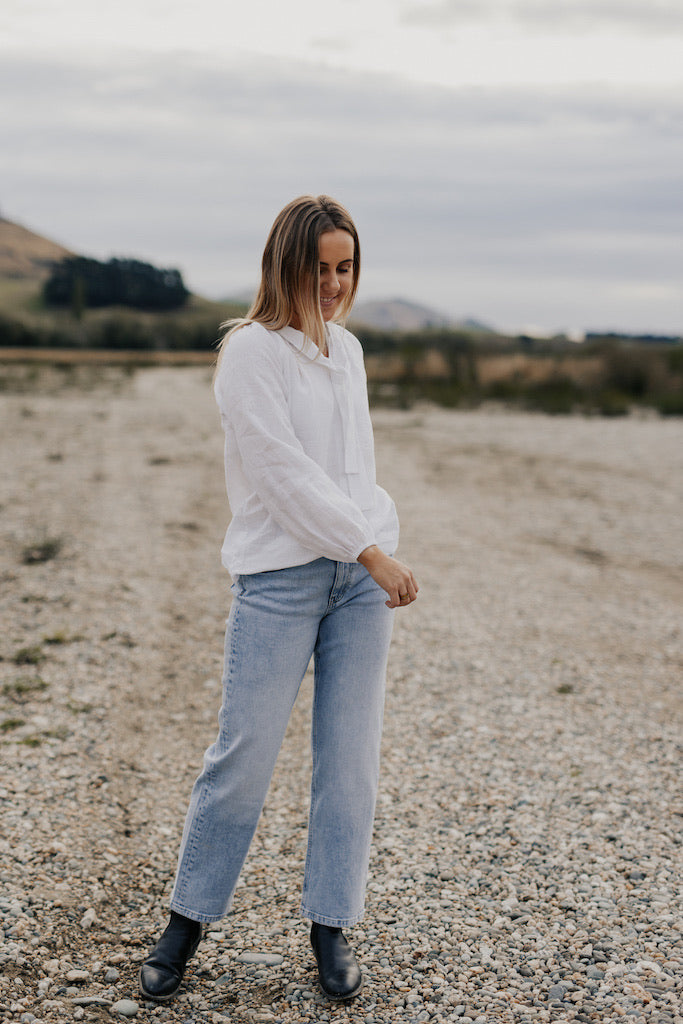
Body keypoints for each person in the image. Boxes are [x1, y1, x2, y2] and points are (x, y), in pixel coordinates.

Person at [139, 194, 418, 1005]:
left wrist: (374, 546)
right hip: (281, 580)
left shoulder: (349, 351)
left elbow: (353, 471)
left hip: (357, 585)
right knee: (242, 758)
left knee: (350, 762)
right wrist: (369, 549)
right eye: (319, 267)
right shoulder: (248, 352)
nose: (332, 284)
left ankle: (330, 929)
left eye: (345, 267)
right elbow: (282, 474)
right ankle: (184, 924)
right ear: (284, 264)